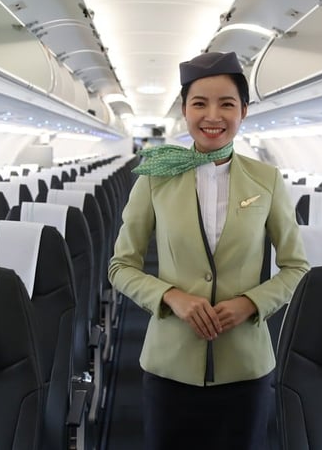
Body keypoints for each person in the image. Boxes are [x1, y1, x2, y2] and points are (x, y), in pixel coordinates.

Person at [108, 51, 310, 450]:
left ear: (244, 111)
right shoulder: (155, 177)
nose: (212, 115)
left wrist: (251, 303)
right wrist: (170, 297)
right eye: (199, 103)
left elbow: (296, 267)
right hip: (170, 364)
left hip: (245, 367)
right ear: (184, 110)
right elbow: (121, 266)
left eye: (227, 104)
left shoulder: (266, 179)